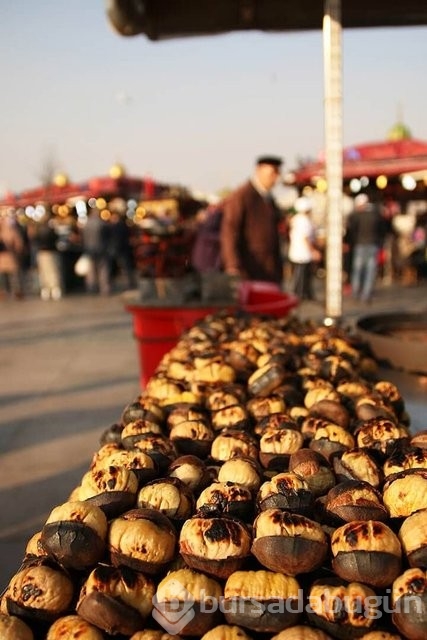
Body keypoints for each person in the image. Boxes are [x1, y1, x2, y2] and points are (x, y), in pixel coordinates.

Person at [220, 155, 284, 284]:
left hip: (269, 270)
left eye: (278, 173)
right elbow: (229, 231)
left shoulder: (269, 198)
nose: (276, 178)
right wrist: (232, 265)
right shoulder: (242, 196)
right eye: (273, 173)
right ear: (259, 170)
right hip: (250, 270)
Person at [345, 193, 387, 303]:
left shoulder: (356, 215)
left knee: (358, 270)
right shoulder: (376, 214)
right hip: (372, 244)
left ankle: (356, 292)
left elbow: (350, 230)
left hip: (360, 245)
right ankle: (366, 294)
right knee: (369, 271)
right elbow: (382, 229)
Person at [287, 196, 321, 300]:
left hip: (298, 252)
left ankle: (304, 294)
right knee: (301, 276)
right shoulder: (304, 220)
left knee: (303, 275)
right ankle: (299, 296)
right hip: (303, 253)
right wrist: (313, 251)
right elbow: (305, 238)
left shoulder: (296, 219)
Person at [28, 209, 63, 301]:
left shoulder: (38, 230)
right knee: (53, 271)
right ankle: (55, 289)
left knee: (44, 272)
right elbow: (56, 238)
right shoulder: (51, 230)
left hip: (42, 253)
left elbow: (34, 240)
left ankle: (46, 290)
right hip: (51, 252)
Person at [81, 208, 112, 295]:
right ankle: (104, 288)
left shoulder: (86, 225)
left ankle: (91, 287)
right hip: (101, 249)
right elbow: (107, 238)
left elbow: (83, 238)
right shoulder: (102, 224)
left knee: (91, 270)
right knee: (103, 269)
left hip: (90, 249)